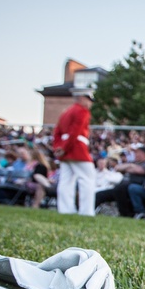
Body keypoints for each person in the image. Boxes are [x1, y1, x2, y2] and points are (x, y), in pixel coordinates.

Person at [53, 88, 96, 216]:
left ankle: (65, 209)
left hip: (65, 149)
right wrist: (65, 147)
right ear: (82, 98)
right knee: (88, 179)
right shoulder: (82, 111)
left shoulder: (65, 112)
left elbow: (57, 132)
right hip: (77, 148)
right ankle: (86, 211)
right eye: (89, 100)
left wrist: (59, 147)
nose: (90, 104)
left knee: (66, 180)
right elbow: (75, 131)